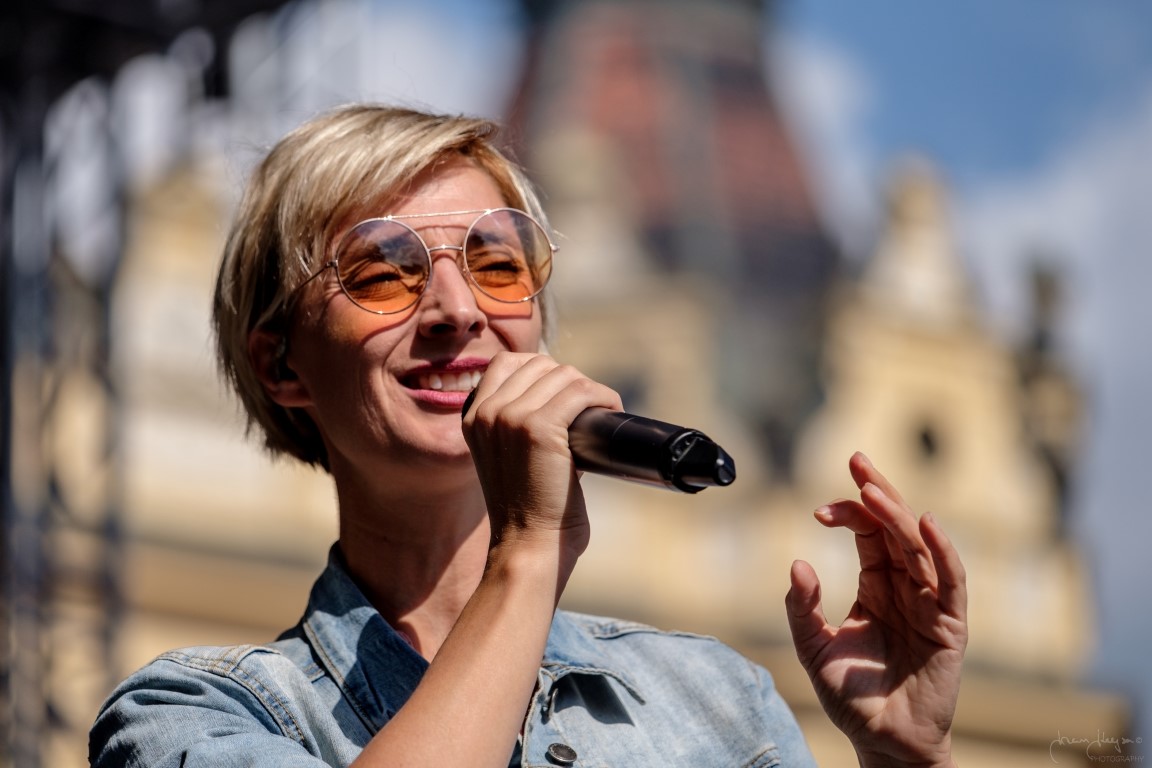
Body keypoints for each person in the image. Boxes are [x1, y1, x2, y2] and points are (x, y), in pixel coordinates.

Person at [89, 104, 967, 767]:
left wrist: (901, 759)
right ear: (281, 365)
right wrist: (527, 554)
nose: (458, 309)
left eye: (499, 265)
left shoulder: (716, 700)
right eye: (383, 274)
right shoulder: (193, 714)